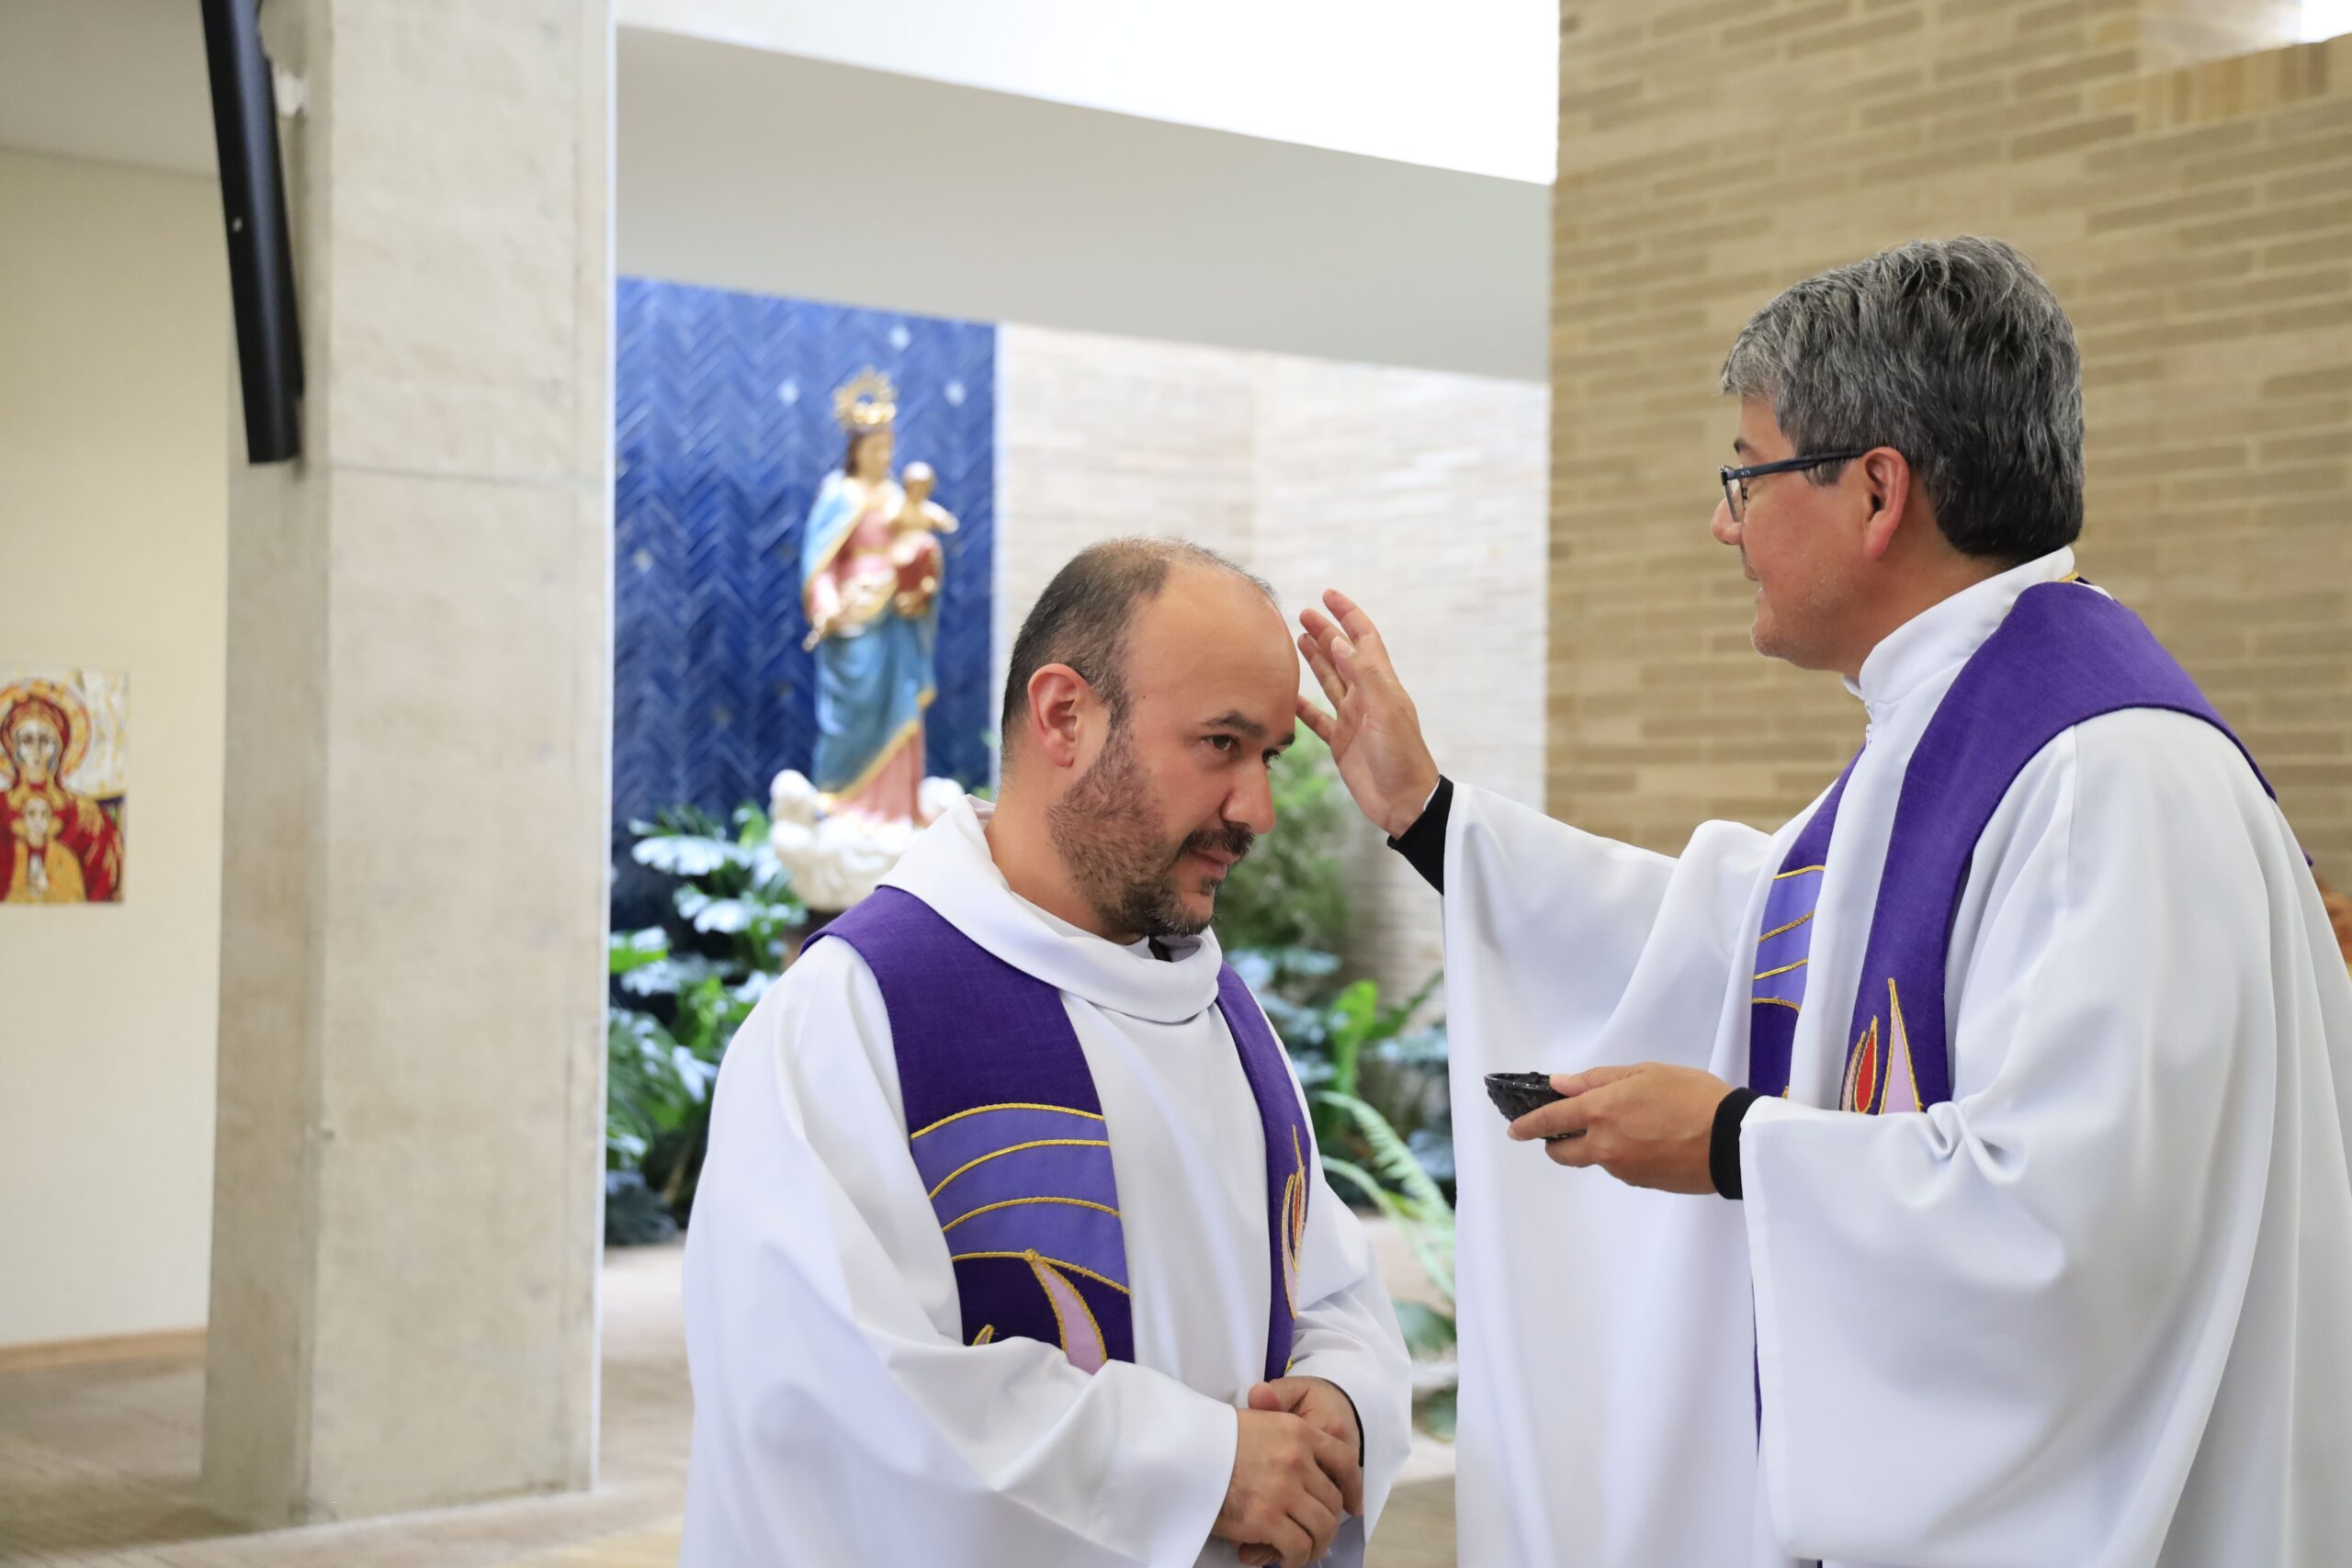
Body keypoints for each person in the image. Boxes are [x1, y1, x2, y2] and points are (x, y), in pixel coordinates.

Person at [1297, 238, 2352, 1565]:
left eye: (1746, 473)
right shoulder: (1963, 726)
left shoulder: (2102, 774)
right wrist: (1431, 815)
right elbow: (1747, 939)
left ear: (1875, 491)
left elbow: (2076, 1226)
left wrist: (1737, 1141)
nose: (1724, 523)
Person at [684, 538, 1412, 1567]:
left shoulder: (1215, 1006)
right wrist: (1199, 1468)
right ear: (1064, 714)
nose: (1256, 809)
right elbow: (834, 1397)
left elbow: (1325, 1288)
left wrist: (1338, 1400)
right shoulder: (855, 1012)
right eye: (1221, 744)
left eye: (1271, 758)